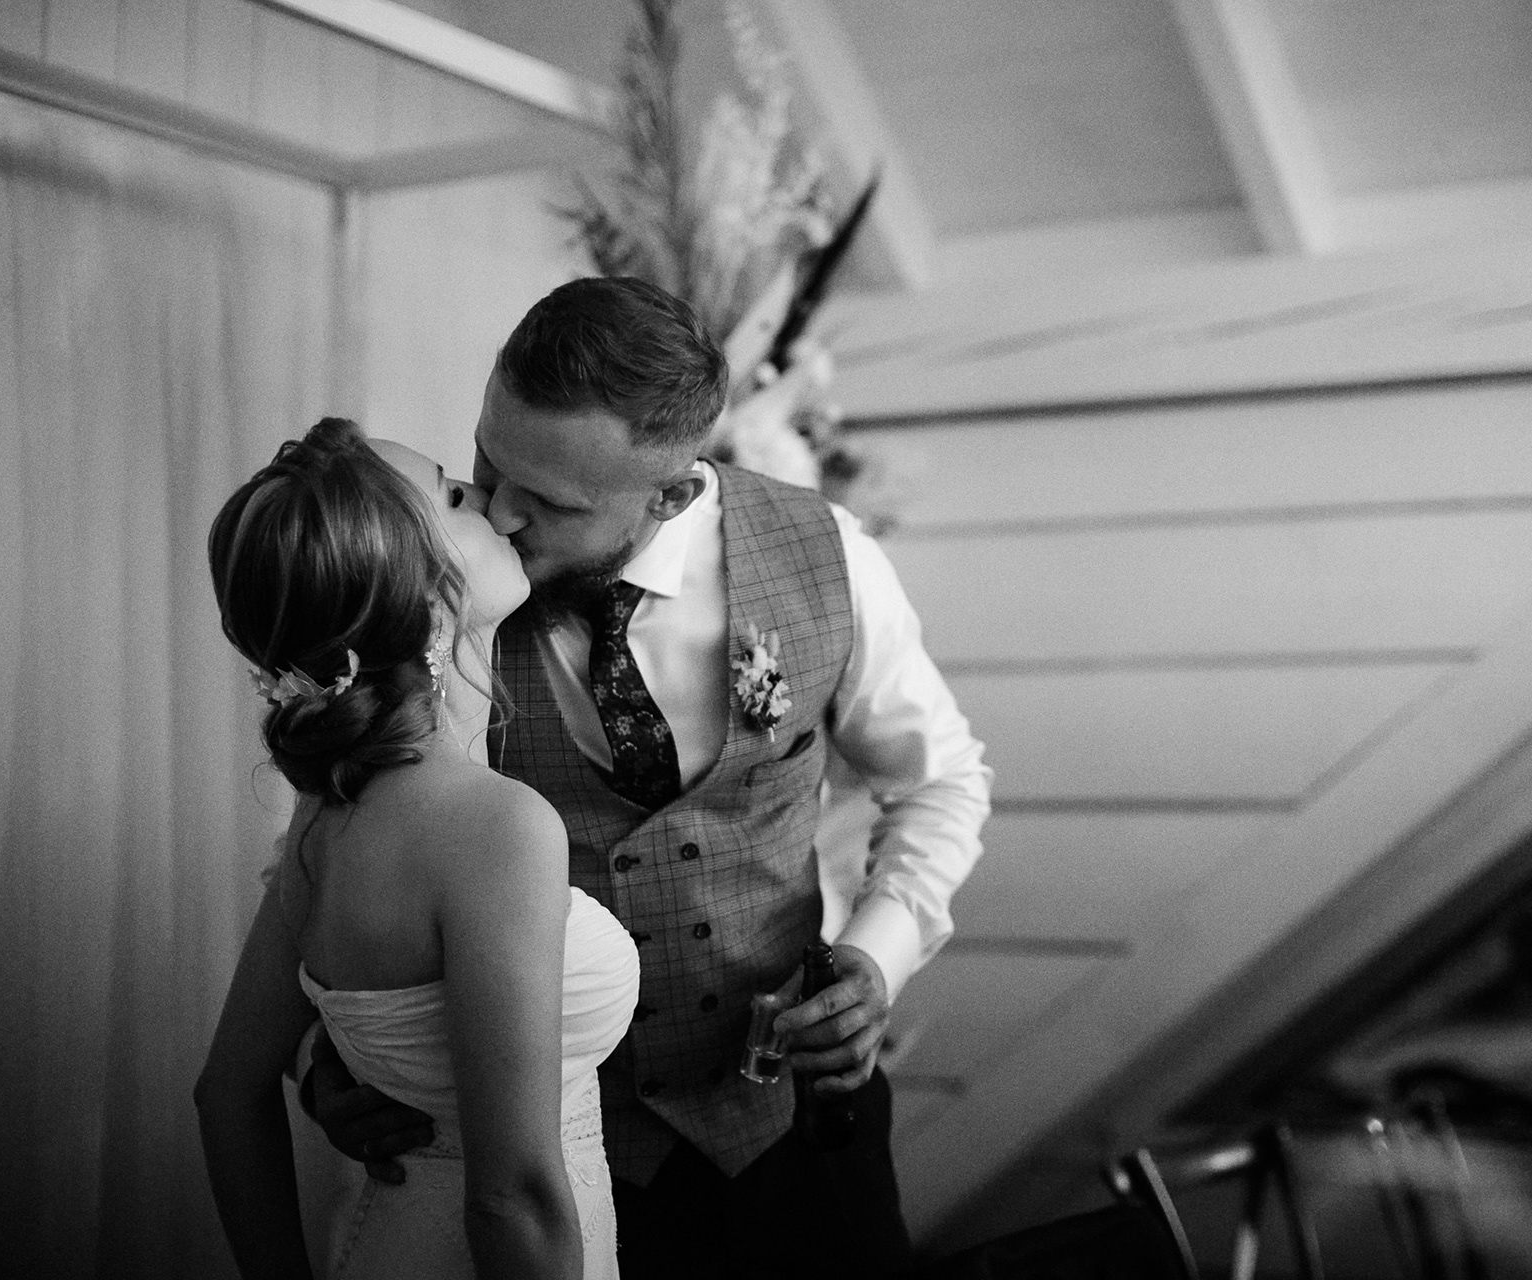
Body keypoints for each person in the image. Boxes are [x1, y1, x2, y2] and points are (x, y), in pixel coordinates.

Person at [309, 277, 992, 1278]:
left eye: (551, 501)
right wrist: (342, 1045)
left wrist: (876, 958)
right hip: (556, 1161)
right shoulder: (439, 578)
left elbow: (940, 780)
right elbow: (346, 836)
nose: (500, 512)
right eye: (490, 461)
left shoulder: (827, 556)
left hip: (794, 1140)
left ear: (674, 492)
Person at [194, 419, 640, 1278]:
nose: (496, 506)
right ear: (433, 603)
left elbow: (225, 1094)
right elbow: (510, 1201)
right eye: (456, 495)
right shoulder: (498, 826)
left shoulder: (322, 823)